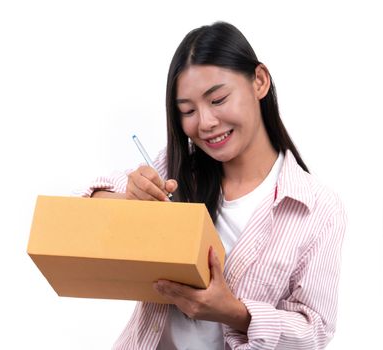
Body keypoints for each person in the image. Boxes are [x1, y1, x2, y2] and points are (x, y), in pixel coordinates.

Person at [80, 22, 346, 349]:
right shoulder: (175, 169)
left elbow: (314, 330)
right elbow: (81, 212)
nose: (205, 123)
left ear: (259, 82)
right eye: (188, 111)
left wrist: (235, 312)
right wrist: (127, 199)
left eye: (218, 100)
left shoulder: (317, 208)